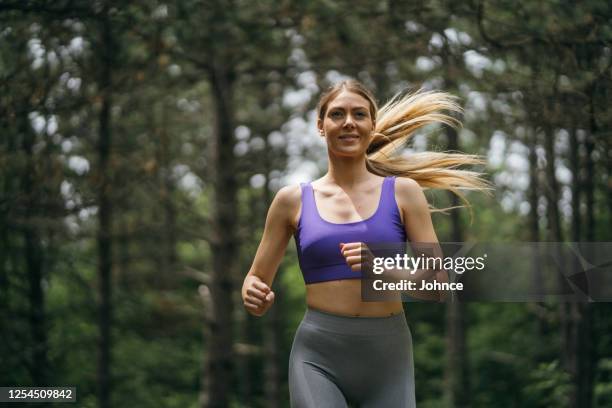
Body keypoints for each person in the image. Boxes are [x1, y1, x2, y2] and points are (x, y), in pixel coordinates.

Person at [241, 80, 489, 407]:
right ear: (321, 126)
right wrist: (252, 292)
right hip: (317, 354)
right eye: (337, 114)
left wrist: (381, 268)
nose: (348, 122)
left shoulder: (403, 193)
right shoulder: (291, 201)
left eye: (359, 114)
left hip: (388, 355)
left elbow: (438, 286)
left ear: (371, 126)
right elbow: (256, 277)